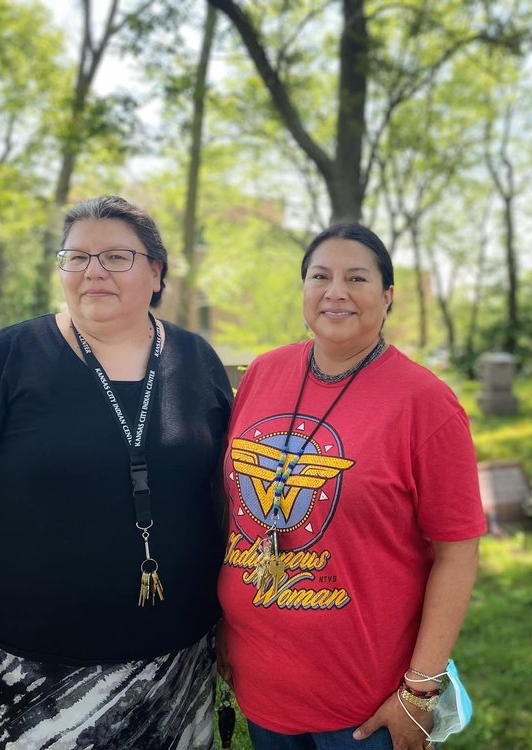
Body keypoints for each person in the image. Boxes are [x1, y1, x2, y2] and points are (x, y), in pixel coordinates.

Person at [0, 195, 233, 748]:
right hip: (37, 669)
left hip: (178, 661)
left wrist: (235, 619)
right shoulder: (10, 357)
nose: (93, 272)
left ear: (156, 273)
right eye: (76, 257)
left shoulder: (197, 361)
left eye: (115, 257)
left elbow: (222, 494)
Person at [218, 223, 487, 750]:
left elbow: (458, 552)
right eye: (320, 276)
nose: (335, 291)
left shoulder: (424, 402)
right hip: (261, 683)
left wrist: (422, 691)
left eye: (356, 278)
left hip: (366, 707)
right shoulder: (263, 374)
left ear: (387, 297)